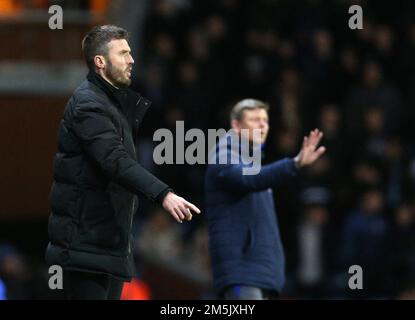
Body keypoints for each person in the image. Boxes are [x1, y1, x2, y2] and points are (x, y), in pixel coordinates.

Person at [45, 25, 200, 300]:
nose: (131, 60)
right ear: (100, 62)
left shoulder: (111, 104)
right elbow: (114, 160)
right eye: (123, 53)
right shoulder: (88, 105)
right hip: (84, 248)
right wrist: (163, 194)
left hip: (106, 246)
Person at [204, 99, 326, 299]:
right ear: (236, 125)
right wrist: (294, 163)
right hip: (242, 274)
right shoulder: (224, 156)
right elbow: (252, 177)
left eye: (265, 120)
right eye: (254, 120)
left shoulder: (252, 161)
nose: (263, 125)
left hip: (261, 276)